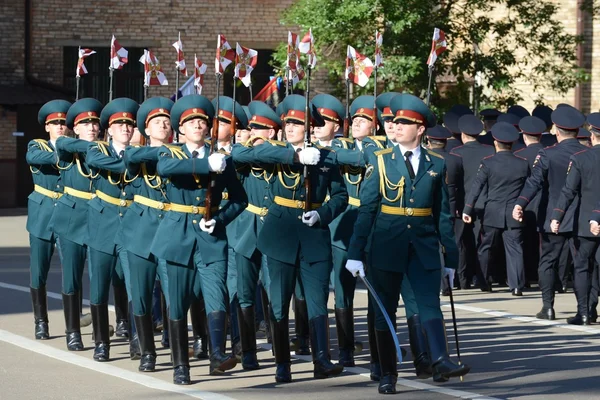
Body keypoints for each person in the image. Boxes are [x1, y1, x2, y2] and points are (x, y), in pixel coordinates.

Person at [346, 93, 470, 394]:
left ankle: (440, 359)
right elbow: (367, 210)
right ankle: (388, 372)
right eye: (395, 121)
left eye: (405, 123)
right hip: (386, 246)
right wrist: (355, 252)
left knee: (430, 305)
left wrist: (451, 258)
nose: (396, 126)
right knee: (385, 312)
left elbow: (442, 215)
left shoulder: (436, 165)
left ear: (421, 129)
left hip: (423, 248)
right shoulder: (381, 162)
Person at [234, 94, 348, 383]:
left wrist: (322, 214)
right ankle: (282, 363)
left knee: (317, 299)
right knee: (279, 300)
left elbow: (340, 196)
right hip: (281, 234)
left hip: (313, 234)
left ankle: (321, 358)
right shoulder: (274, 152)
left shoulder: (327, 158)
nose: (291, 128)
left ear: (310, 127)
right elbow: (241, 155)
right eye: (288, 123)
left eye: (298, 123)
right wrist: (294, 156)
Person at [151, 94, 247, 384]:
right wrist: (207, 165)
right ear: (180, 129)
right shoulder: (171, 153)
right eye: (191, 122)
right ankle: (181, 365)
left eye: (202, 122)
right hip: (176, 235)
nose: (197, 125)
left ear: (209, 128)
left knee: (216, 294)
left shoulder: (223, 160)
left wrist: (218, 220)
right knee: (178, 303)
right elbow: (165, 170)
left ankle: (217, 354)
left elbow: (240, 200)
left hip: (210, 237)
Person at [513, 105, 587, 321]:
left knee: (547, 262)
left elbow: (534, 181)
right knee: (582, 264)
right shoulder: (587, 154)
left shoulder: (548, 153)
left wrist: (520, 204)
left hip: (552, 215)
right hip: (579, 216)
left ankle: (548, 307)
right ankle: (584, 310)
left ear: (556, 130)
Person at [118, 96, 175, 371]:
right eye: (157, 122)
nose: (164, 125)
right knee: (140, 293)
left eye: (167, 121)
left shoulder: (180, 153)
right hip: (140, 230)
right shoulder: (137, 154)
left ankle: (177, 351)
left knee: (174, 292)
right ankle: (147, 351)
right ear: (146, 129)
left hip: (171, 229)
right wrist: (171, 153)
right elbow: (132, 156)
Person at [85, 97, 139, 361]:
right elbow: (105, 164)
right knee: (99, 284)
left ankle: (138, 340)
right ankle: (101, 342)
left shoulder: (141, 153)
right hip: (103, 222)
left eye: (129, 124)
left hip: (131, 221)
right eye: (120, 124)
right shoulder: (98, 151)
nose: (126, 129)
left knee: (135, 283)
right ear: (109, 129)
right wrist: (133, 161)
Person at [51, 98, 103, 351]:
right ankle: (73, 331)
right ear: (75, 127)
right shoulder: (66, 145)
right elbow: (62, 143)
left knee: (99, 276)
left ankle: (99, 332)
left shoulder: (104, 150)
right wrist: (92, 148)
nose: (92, 127)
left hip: (98, 219)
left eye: (95, 122)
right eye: (85, 123)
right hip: (71, 219)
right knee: (72, 277)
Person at [463, 122, 529, 296]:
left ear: (495, 142)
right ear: (512, 143)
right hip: (514, 211)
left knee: (486, 247)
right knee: (515, 249)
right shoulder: (522, 163)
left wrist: (467, 209)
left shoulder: (488, 163)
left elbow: (476, 187)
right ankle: (516, 285)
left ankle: (484, 282)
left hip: (492, 211)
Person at [26, 99, 71, 340]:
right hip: (42, 213)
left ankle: (71, 323)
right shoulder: (38, 145)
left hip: (66, 213)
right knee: (38, 271)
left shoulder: (76, 148)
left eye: (64, 123)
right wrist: (65, 152)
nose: (60, 127)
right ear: (47, 127)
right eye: (55, 123)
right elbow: (37, 159)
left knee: (70, 270)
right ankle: (40, 321)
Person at [549, 113, 600, 325]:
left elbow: (568, 191)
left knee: (582, 267)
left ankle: (585, 312)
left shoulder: (581, 158)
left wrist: (556, 216)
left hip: (585, 222)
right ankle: (591, 307)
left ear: (592, 134)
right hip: (592, 219)